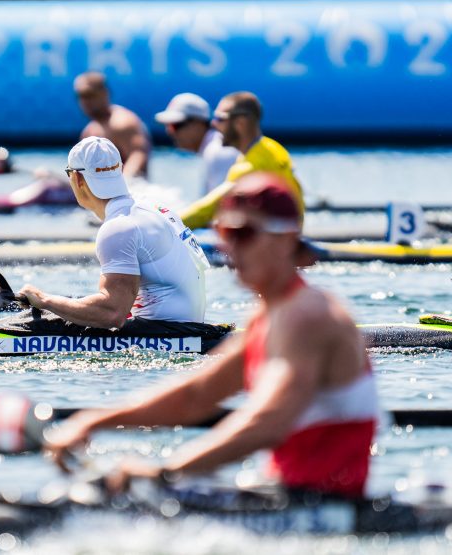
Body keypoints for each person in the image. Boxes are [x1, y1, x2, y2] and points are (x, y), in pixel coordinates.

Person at [46, 173, 378, 498]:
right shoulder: (271, 315)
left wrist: (166, 472)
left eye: (243, 233)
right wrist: (91, 421)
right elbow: (195, 396)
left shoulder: (310, 317)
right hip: (290, 492)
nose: (230, 248)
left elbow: (267, 422)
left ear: (287, 239)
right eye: (224, 232)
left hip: (328, 505)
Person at [18, 136, 208, 325]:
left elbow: (112, 314)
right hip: (190, 329)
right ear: (120, 169)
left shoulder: (119, 228)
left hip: (165, 336)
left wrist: (45, 300)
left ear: (77, 178)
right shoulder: (155, 208)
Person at [180, 91, 303, 230]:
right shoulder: (272, 147)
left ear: (240, 123)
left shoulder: (249, 167)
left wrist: (171, 222)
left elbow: (205, 211)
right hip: (285, 237)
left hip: (273, 244)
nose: (213, 124)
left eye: (220, 119)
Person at [154, 93, 239, 195]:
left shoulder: (217, 153)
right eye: (167, 126)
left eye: (175, 125)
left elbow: (225, 205)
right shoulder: (214, 148)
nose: (170, 132)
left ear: (199, 123)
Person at [74, 72, 151, 179]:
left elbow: (138, 157)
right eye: (80, 96)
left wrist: (119, 189)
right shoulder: (88, 131)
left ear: (105, 93)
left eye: (89, 95)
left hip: (130, 192)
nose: (85, 101)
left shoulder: (122, 123)